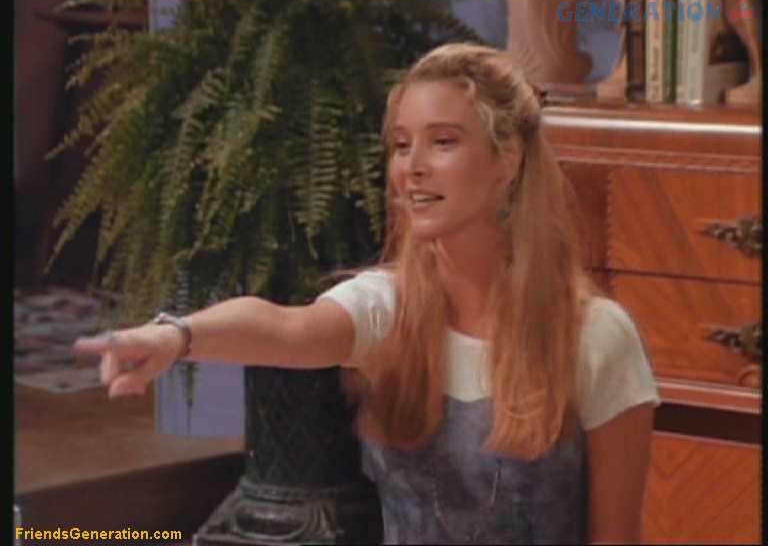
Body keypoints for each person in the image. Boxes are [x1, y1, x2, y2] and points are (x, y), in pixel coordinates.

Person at [75, 43, 660, 545]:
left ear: (506, 160)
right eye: (401, 146)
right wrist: (175, 337)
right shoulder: (389, 307)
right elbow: (284, 329)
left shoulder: (596, 338)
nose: (412, 168)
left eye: (443, 142)